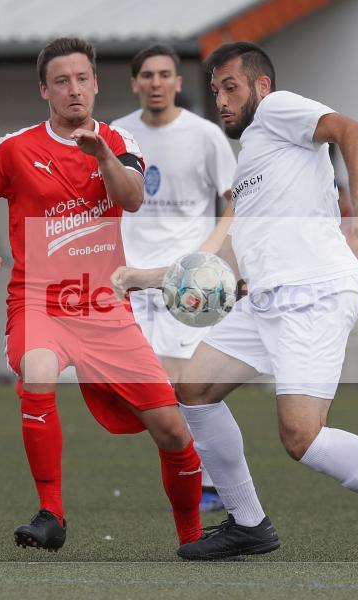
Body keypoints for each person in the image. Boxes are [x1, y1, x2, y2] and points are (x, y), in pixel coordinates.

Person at [112, 42, 358, 565]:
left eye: (230, 87)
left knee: (301, 437)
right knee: (192, 390)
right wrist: (147, 278)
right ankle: (249, 524)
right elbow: (228, 255)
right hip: (266, 300)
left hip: (314, 291)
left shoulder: (279, 111)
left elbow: (354, 131)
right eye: (214, 90)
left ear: (262, 87)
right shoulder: (250, 159)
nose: (220, 99)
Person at [0, 37, 203, 554]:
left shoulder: (119, 140)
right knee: (38, 371)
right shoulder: (15, 148)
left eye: (82, 79)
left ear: (96, 83)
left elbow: (130, 199)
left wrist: (104, 155)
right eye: (61, 81)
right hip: (39, 304)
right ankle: (51, 515)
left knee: (173, 431)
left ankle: (194, 538)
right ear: (45, 90)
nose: (73, 89)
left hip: (105, 308)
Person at [112, 44, 237, 512]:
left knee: (186, 386)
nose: (157, 82)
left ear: (178, 83)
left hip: (187, 283)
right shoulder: (118, 134)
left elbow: (235, 200)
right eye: (147, 75)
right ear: (135, 82)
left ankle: (209, 482)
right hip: (131, 281)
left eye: (165, 74)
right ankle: (201, 477)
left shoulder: (205, 135)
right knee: (152, 391)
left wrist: (209, 255)